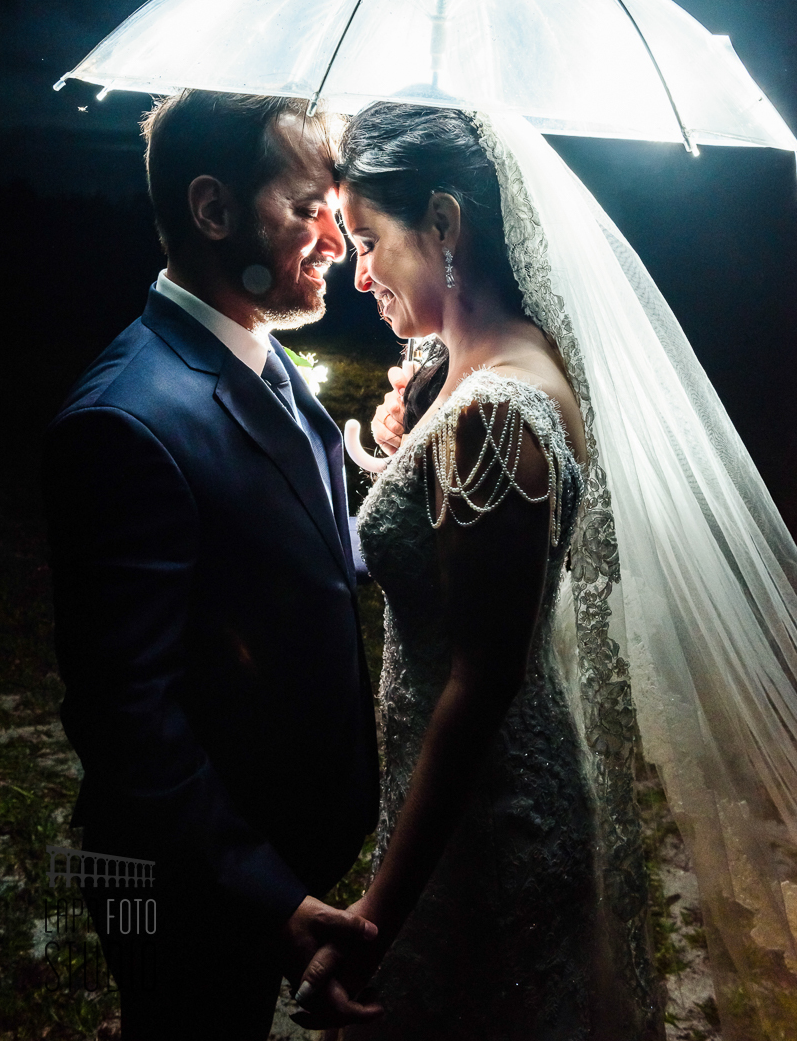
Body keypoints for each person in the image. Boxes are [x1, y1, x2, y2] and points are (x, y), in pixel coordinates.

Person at [297, 103, 797, 1041]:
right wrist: (407, 452)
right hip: (466, 790)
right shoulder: (498, 365)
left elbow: (479, 686)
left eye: (368, 241)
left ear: (445, 224)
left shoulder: (496, 416)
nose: (357, 272)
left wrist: (373, 921)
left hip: (482, 810)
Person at [42, 90, 384, 1040]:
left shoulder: (259, 351)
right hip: (186, 878)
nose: (334, 233)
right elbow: (125, 719)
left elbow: (295, 550)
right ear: (212, 210)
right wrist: (270, 898)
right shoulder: (125, 422)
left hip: (284, 833)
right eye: (306, 205)